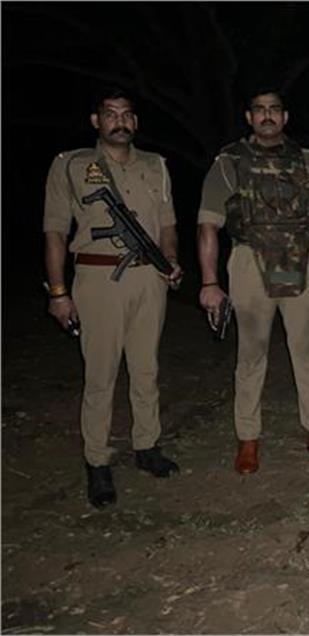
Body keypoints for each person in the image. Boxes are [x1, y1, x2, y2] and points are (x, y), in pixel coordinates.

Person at [197, 88, 309, 474]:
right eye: (260, 110)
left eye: (274, 110)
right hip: (249, 262)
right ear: (249, 118)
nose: (267, 116)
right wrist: (210, 282)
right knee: (251, 355)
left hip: (299, 261)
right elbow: (208, 225)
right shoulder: (229, 162)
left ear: (285, 117)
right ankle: (248, 440)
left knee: (307, 353)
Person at [43, 86, 182, 509]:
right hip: (98, 279)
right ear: (96, 120)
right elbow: (55, 231)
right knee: (101, 375)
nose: (119, 121)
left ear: (135, 122)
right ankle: (97, 461)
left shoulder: (156, 165)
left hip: (149, 279)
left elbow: (167, 224)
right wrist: (58, 292)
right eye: (110, 114)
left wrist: (170, 260)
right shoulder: (71, 164)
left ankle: (147, 446)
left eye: (126, 114)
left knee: (146, 368)